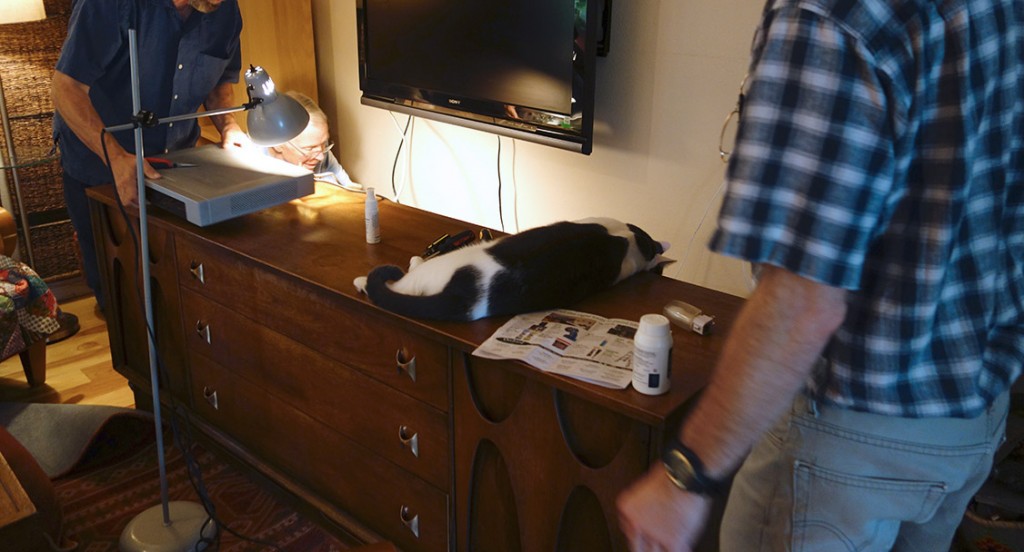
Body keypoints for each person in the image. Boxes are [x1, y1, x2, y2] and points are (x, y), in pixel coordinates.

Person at [617, 1, 1023, 551]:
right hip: (972, 421)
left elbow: (803, 302)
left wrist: (685, 475)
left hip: (848, 440)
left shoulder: (828, 15)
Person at [51, 0, 247, 310]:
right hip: (101, 166)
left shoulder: (223, 9)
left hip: (176, 166)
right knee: (123, 301)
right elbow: (66, 86)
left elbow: (221, 79)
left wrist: (229, 125)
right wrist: (116, 157)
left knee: (178, 293)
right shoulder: (110, 5)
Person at [263, 91, 360, 191]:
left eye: (324, 144)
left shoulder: (320, 151)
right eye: (310, 148)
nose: (321, 157)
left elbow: (349, 190)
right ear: (278, 145)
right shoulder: (255, 169)